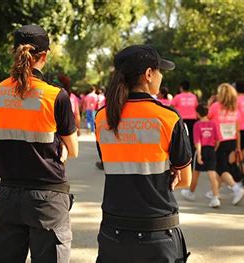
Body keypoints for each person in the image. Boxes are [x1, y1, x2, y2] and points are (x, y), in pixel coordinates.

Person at [0, 25, 78, 263]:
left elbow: (2, 137)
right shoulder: (55, 96)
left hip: (7, 197)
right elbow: (73, 149)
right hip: (48, 198)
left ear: (13, 52)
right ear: (44, 55)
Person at [95, 45, 192, 262]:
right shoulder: (168, 117)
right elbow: (185, 180)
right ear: (149, 74)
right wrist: (169, 174)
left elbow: (112, 162)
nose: (161, 76)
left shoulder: (103, 117)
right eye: (159, 71)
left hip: (113, 231)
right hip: (157, 232)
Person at [208, 83, 244, 205]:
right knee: (222, 167)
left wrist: (209, 103)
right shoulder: (235, 109)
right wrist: (238, 147)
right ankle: (214, 191)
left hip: (219, 141)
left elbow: (207, 119)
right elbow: (238, 130)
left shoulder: (215, 107)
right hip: (232, 141)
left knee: (221, 168)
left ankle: (236, 188)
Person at [181, 103, 221, 208]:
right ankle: (215, 198)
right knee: (212, 175)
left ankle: (191, 193)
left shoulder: (197, 125)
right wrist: (214, 149)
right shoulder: (213, 124)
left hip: (201, 150)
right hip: (211, 150)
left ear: (198, 113)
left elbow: (197, 141)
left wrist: (199, 154)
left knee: (195, 173)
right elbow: (218, 140)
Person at [171, 81, 198, 153]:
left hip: (182, 120)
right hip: (193, 120)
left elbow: (171, 107)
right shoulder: (193, 96)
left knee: (182, 137)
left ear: (181, 87)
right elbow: (196, 107)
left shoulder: (178, 97)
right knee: (192, 138)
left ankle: (183, 152)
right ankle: (191, 152)